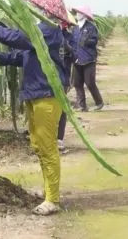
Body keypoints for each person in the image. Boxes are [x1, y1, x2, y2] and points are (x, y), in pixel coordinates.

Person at [0, 0, 71, 216]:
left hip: (46, 95)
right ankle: (48, 191)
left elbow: (20, 40)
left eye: (37, 7)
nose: (33, 10)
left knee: (48, 147)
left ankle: (52, 199)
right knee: (38, 145)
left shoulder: (49, 30)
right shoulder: (43, 32)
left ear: (46, 10)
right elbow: (21, 57)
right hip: (35, 93)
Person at [71, 5, 104, 112]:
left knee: (89, 82)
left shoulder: (91, 27)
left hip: (88, 59)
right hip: (77, 59)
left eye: (80, 13)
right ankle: (82, 105)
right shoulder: (75, 27)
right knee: (77, 83)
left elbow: (94, 41)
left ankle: (99, 102)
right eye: (76, 13)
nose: (77, 14)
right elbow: (72, 42)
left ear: (84, 15)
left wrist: (87, 41)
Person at [57, 15, 76, 153]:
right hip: (45, 77)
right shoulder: (47, 33)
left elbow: (75, 56)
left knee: (61, 109)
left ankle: (59, 139)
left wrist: (67, 47)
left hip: (63, 77)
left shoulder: (69, 37)